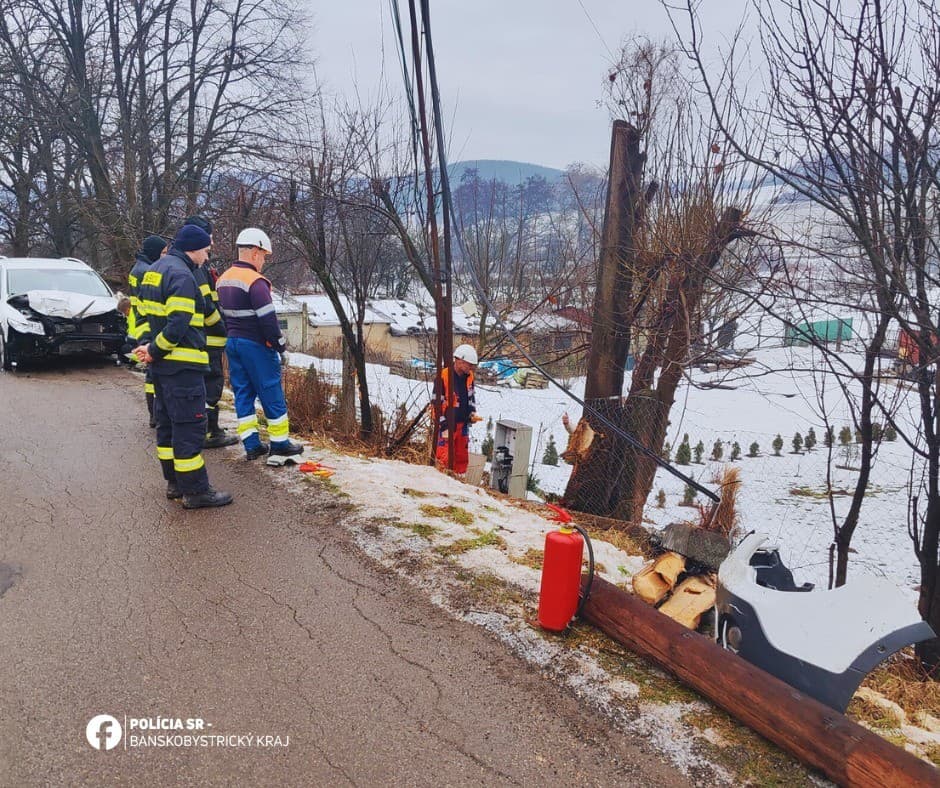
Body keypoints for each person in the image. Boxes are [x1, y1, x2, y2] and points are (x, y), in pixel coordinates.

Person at [133, 224, 233, 509]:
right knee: (189, 427)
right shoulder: (182, 275)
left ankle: (175, 482)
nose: (206, 257)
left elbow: (144, 314)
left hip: (162, 370)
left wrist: (149, 346)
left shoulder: (157, 269)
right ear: (193, 248)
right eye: (205, 250)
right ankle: (197, 491)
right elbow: (179, 324)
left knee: (167, 426)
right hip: (182, 367)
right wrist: (154, 349)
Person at [216, 227, 303, 461]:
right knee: (270, 390)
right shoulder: (256, 282)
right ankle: (280, 443)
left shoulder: (222, 279)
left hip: (233, 343)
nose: (263, 261)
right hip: (255, 345)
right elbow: (269, 321)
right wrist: (281, 347)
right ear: (255, 252)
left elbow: (223, 315)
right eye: (264, 255)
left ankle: (252, 444)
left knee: (243, 393)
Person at [182, 216, 238, 449]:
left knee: (206, 385)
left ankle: (208, 428)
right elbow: (206, 304)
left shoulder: (194, 267)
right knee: (211, 385)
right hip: (209, 338)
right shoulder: (199, 269)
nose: (212, 242)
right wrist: (222, 327)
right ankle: (209, 431)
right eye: (210, 236)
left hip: (202, 338)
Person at [127, 234, 167, 426]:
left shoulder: (137, 269)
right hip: (149, 327)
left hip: (141, 326)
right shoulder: (146, 271)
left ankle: (154, 415)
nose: (165, 257)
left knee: (151, 376)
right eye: (163, 253)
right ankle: (156, 415)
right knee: (153, 375)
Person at [434, 344, 480, 475]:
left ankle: (458, 481)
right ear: (459, 360)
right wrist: (442, 424)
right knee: (444, 456)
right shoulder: (443, 376)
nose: (471, 367)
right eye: (469, 364)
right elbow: (436, 403)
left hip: (463, 424)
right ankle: (440, 480)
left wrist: (472, 413)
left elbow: (471, 397)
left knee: (461, 456)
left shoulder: (469, 377)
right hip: (447, 424)